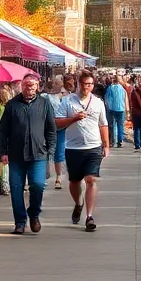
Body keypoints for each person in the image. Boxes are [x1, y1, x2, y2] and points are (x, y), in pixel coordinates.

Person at [0, 74, 57, 234]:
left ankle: (34, 214)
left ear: (37, 86)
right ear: (21, 86)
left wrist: (51, 150)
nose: (29, 87)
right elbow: (3, 131)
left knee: (37, 185)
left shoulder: (45, 104)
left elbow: (51, 129)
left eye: (32, 84)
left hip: (38, 153)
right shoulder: (12, 105)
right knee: (16, 188)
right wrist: (3, 152)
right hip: (16, 154)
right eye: (26, 84)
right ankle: (20, 221)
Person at [55, 70, 107, 232]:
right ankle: (78, 204)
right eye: (84, 84)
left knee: (91, 180)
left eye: (89, 84)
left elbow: (103, 124)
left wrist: (106, 144)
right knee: (75, 181)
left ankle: (89, 216)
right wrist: (74, 118)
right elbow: (57, 123)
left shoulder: (98, 102)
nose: (86, 87)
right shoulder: (68, 101)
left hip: (93, 146)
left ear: (93, 85)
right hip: (73, 147)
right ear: (78, 84)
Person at [44, 76, 70, 190]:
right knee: (52, 153)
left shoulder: (65, 97)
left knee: (54, 152)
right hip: (53, 128)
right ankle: (52, 176)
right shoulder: (48, 97)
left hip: (54, 128)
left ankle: (54, 177)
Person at [104, 73, 127, 149]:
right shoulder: (122, 88)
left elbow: (107, 98)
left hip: (112, 109)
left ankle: (113, 140)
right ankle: (120, 141)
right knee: (120, 126)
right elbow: (124, 98)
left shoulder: (110, 88)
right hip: (121, 109)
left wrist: (108, 107)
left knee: (112, 126)